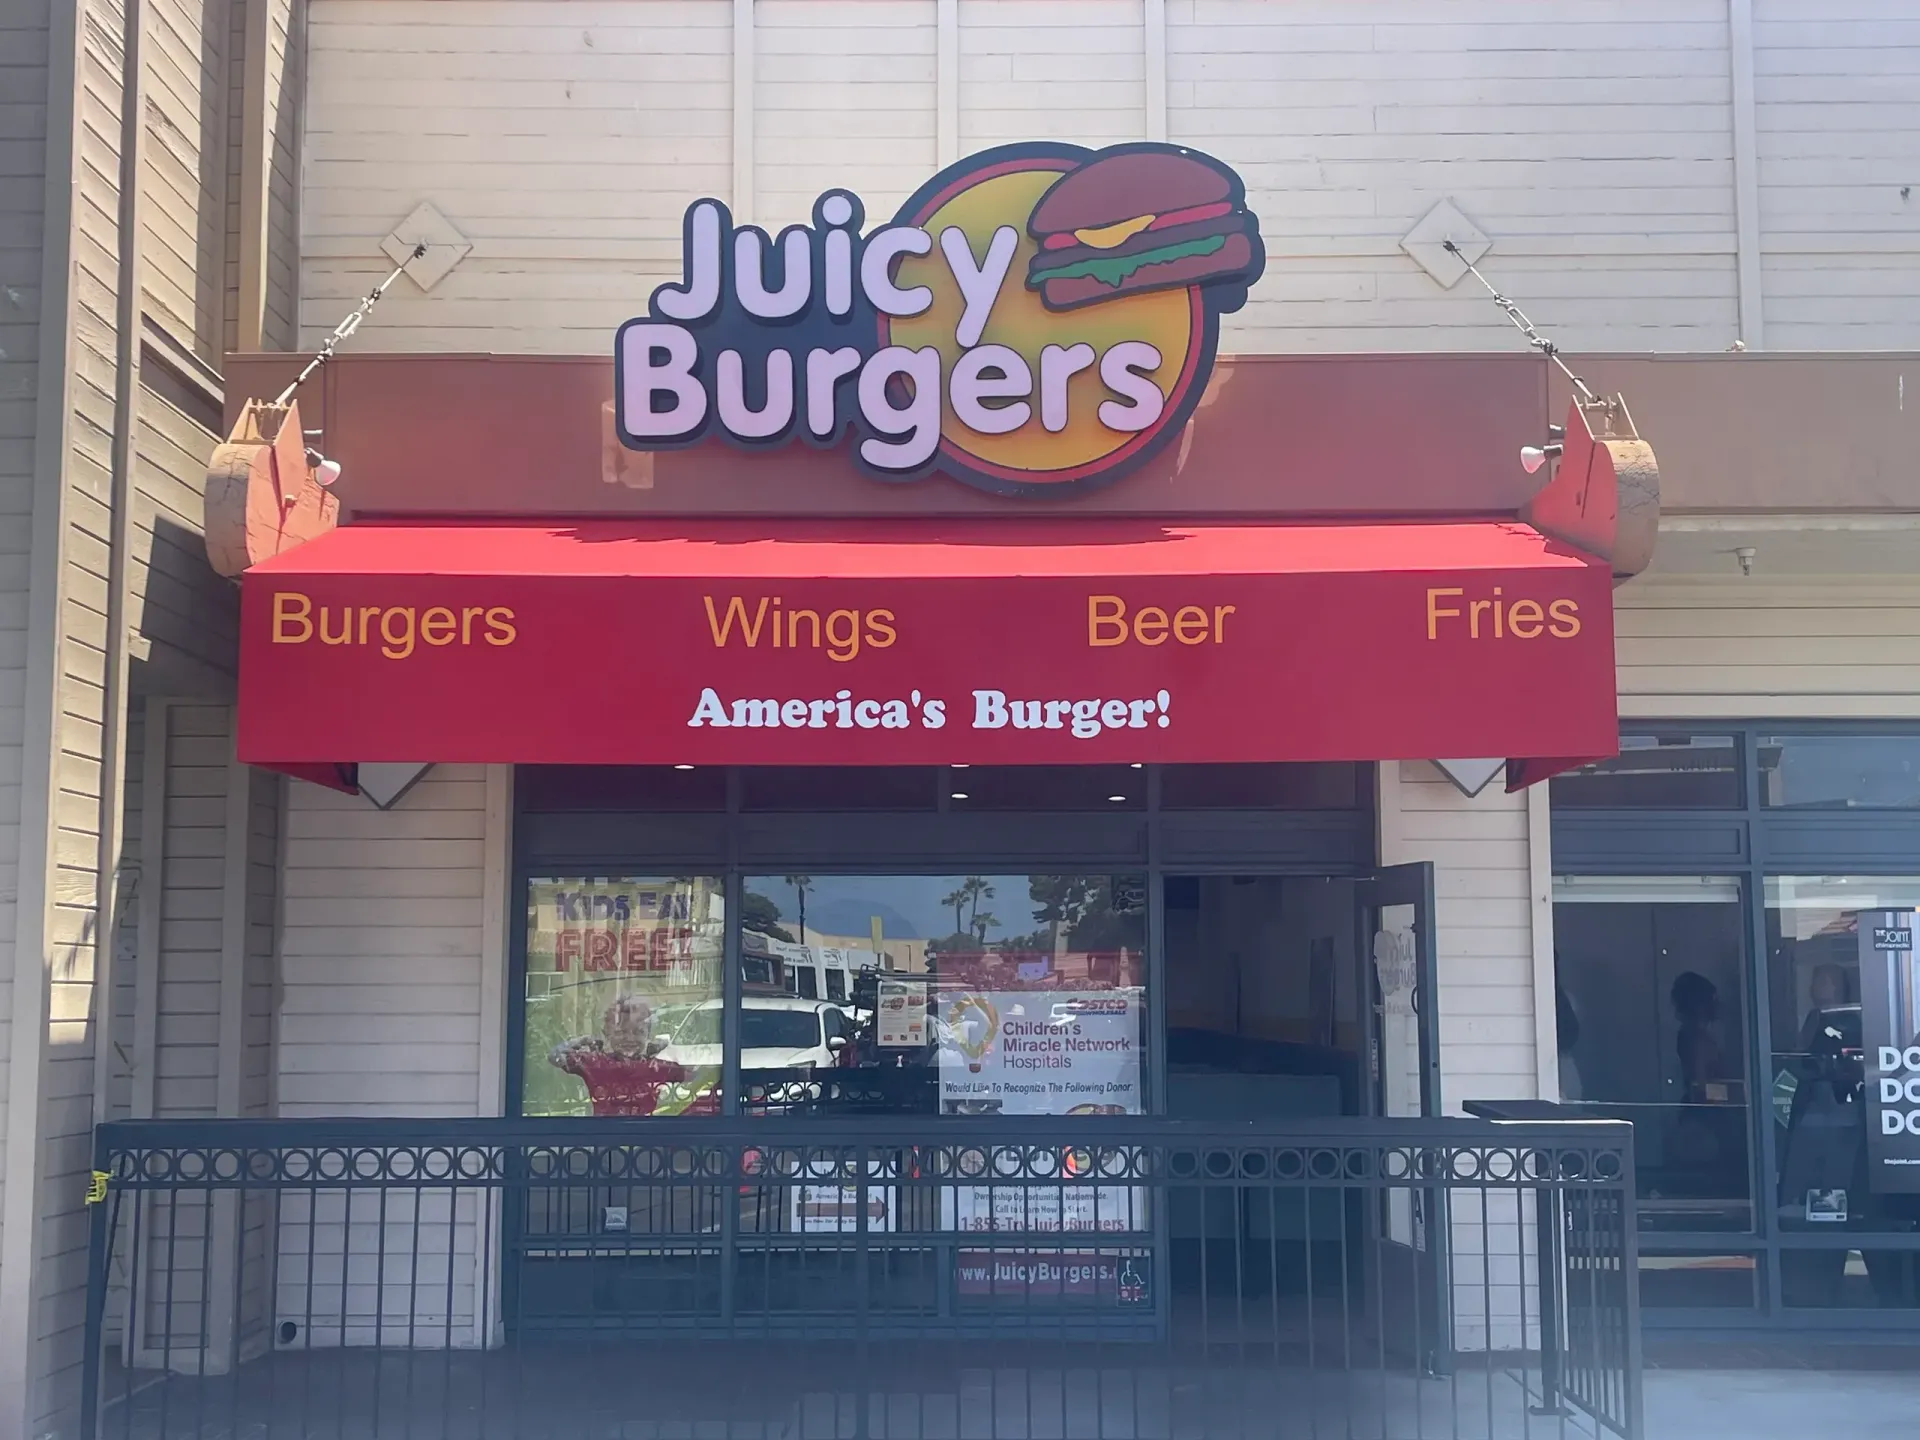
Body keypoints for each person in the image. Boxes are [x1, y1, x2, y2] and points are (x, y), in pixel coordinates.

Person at [549, 993, 716, 1116]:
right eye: (621, 1032)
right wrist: (583, 1041)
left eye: (638, 1032)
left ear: (648, 1035)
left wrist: (666, 1050)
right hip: (603, 1139)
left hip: (645, 1142)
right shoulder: (594, 1062)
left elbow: (695, 1074)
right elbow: (555, 1056)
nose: (630, 1038)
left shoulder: (656, 1066)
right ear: (607, 1034)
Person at [1670, 971, 1726, 1104]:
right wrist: (1732, 1094)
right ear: (1700, 1004)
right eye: (1713, 999)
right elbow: (1701, 1087)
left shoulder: (1690, 1035)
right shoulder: (1696, 1039)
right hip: (1704, 1114)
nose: (1718, 1004)